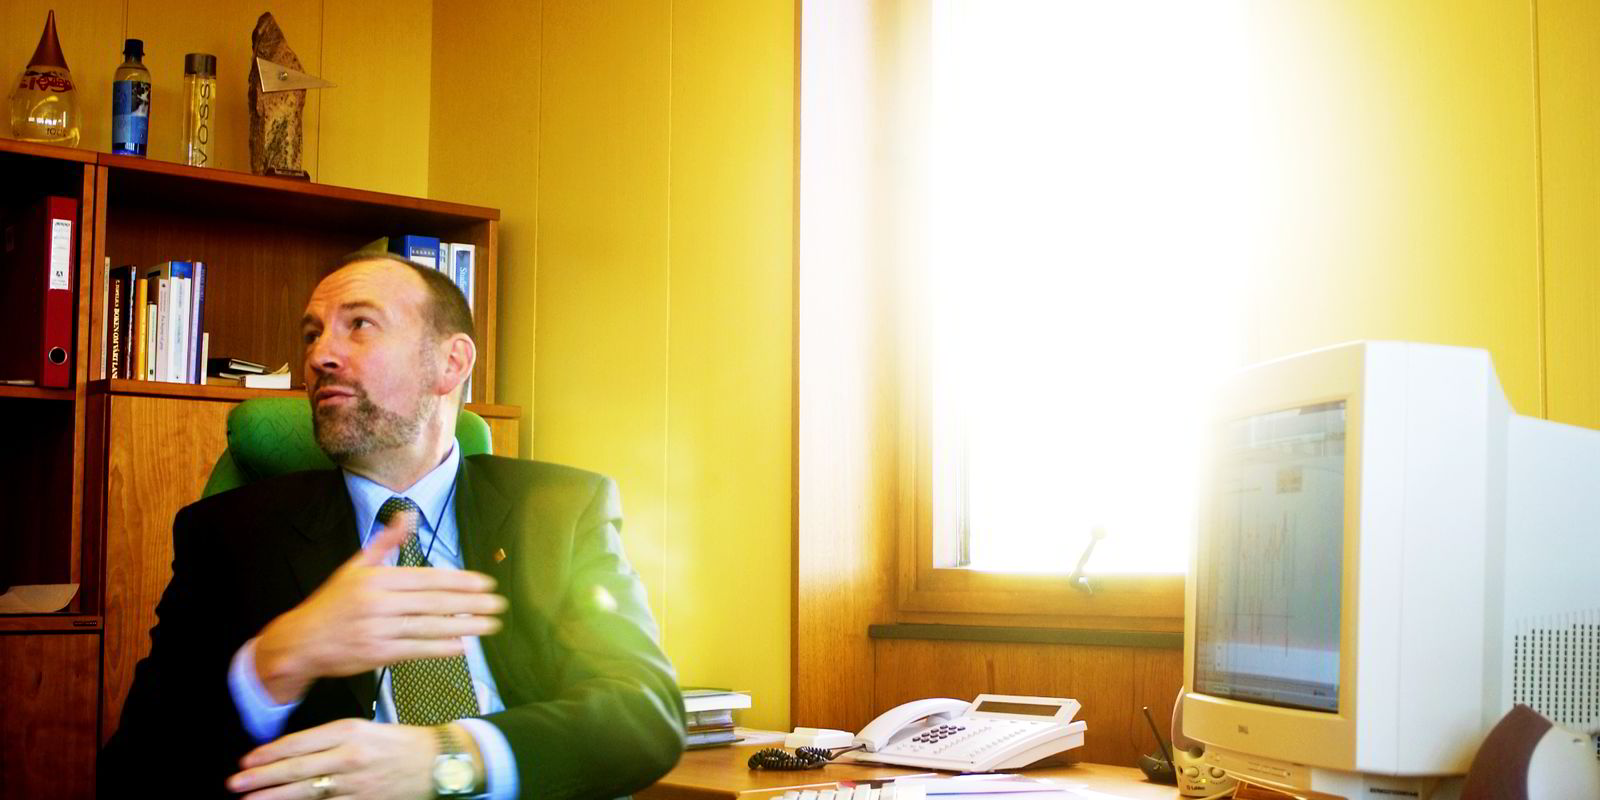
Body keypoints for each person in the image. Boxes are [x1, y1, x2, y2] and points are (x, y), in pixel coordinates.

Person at [99, 253, 685, 798]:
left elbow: (645, 714)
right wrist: (277, 661)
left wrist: (448, 759)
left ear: (451, 363)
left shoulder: (559, 510)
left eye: (359, 325)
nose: (319, 357)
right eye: (312, 334)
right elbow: (135, 774)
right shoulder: (231, 535)